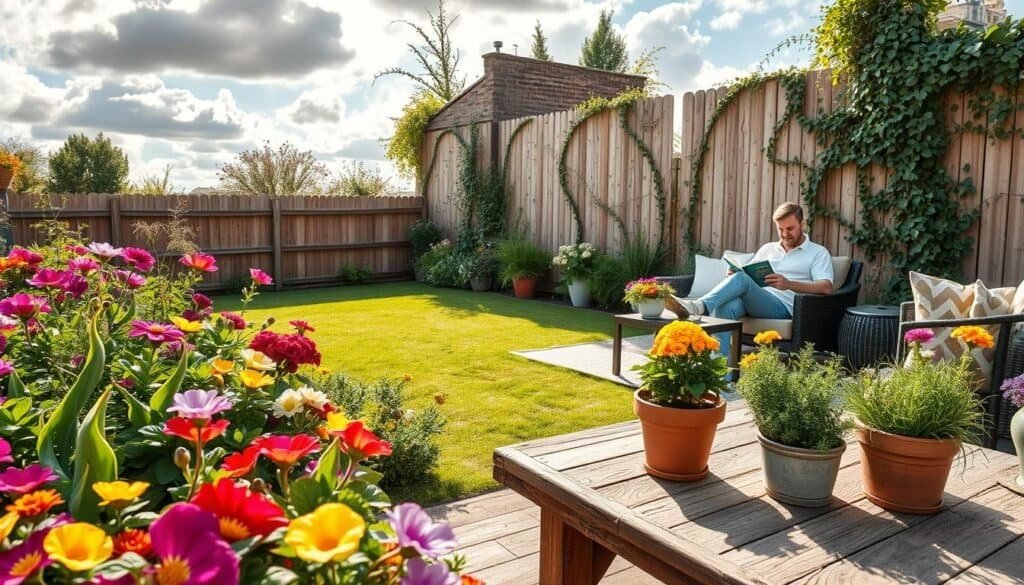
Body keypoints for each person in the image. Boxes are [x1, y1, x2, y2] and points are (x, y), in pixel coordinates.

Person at [674, 202, 834, 358]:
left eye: (790, 228)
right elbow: (747, 275)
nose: (785, 234)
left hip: (783, 308)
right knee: (725, 306)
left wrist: (789, 284)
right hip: (757, 300)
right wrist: (734, 274)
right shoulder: (768, 249)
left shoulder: (817, 252)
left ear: (802, 224)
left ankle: (699, 307)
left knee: (741, 280)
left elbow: (826, 287)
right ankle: (722, 375)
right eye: (781, 229)